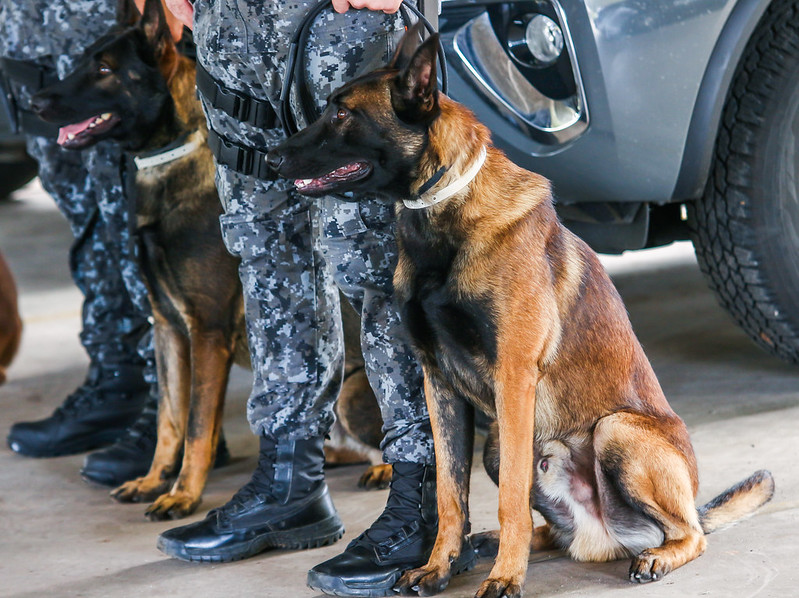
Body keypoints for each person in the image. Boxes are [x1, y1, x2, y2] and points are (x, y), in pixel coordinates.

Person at [156, 0, 467, 595]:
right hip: (231, 33)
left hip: (340, 26)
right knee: (265, 249)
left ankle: (424, 502)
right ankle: (289, 481)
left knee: (381, 273)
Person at [0, 0, 181, 485]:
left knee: (122, 196)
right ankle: (117, 376)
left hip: (93, 12)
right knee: (71, 184)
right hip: (31, 21)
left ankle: (170, 403)